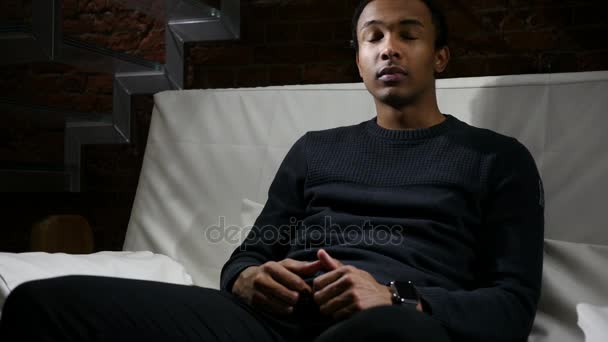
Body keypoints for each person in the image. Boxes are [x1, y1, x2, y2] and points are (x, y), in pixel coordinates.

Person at [0, 0, 543, 341]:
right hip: (273, 322)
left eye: (409, 33)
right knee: (43, 305)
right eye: (373, 36)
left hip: (392, 326)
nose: (389, 48)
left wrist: (395, 296)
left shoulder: (496, 159)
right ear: (357, 58)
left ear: (440, 57)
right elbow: (248, 256)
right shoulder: (316, 150)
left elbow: (511, 309)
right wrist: (249, 279)